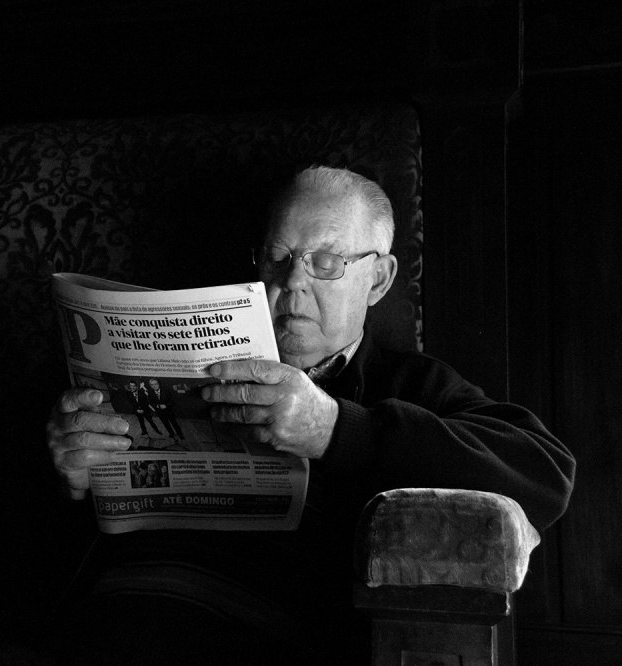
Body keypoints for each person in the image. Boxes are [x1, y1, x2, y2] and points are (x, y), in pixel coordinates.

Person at [40, 166, 575, 664]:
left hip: (266, 631)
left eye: (327, 262)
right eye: (278, 258)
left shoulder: (411, 383)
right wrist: (72, 476)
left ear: (379, 279)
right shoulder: (184, 359)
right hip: (112, 611)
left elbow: (546, 473)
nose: (293, 282)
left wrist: (334, 429)